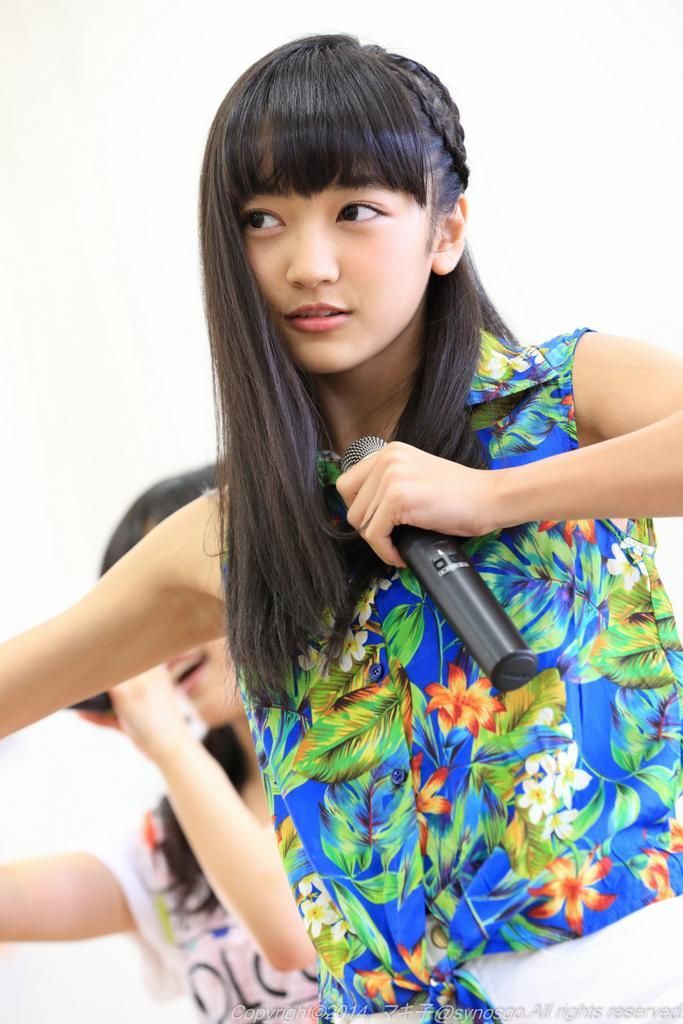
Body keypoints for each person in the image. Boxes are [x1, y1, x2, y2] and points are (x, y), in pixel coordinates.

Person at [2, 32, 682, 1020]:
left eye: (355, 210)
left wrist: (492, 498)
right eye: (262, 219)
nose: (307, 263)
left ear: (444, 230)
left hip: (622, 977)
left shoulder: (560, 395)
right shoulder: (232, 534)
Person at [0, 468, 318, 1021]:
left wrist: (169, 742)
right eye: (139, 623)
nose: (162, 644)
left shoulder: (379, 756)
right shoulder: (170, 852)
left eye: (180, 606)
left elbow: (294, 934)